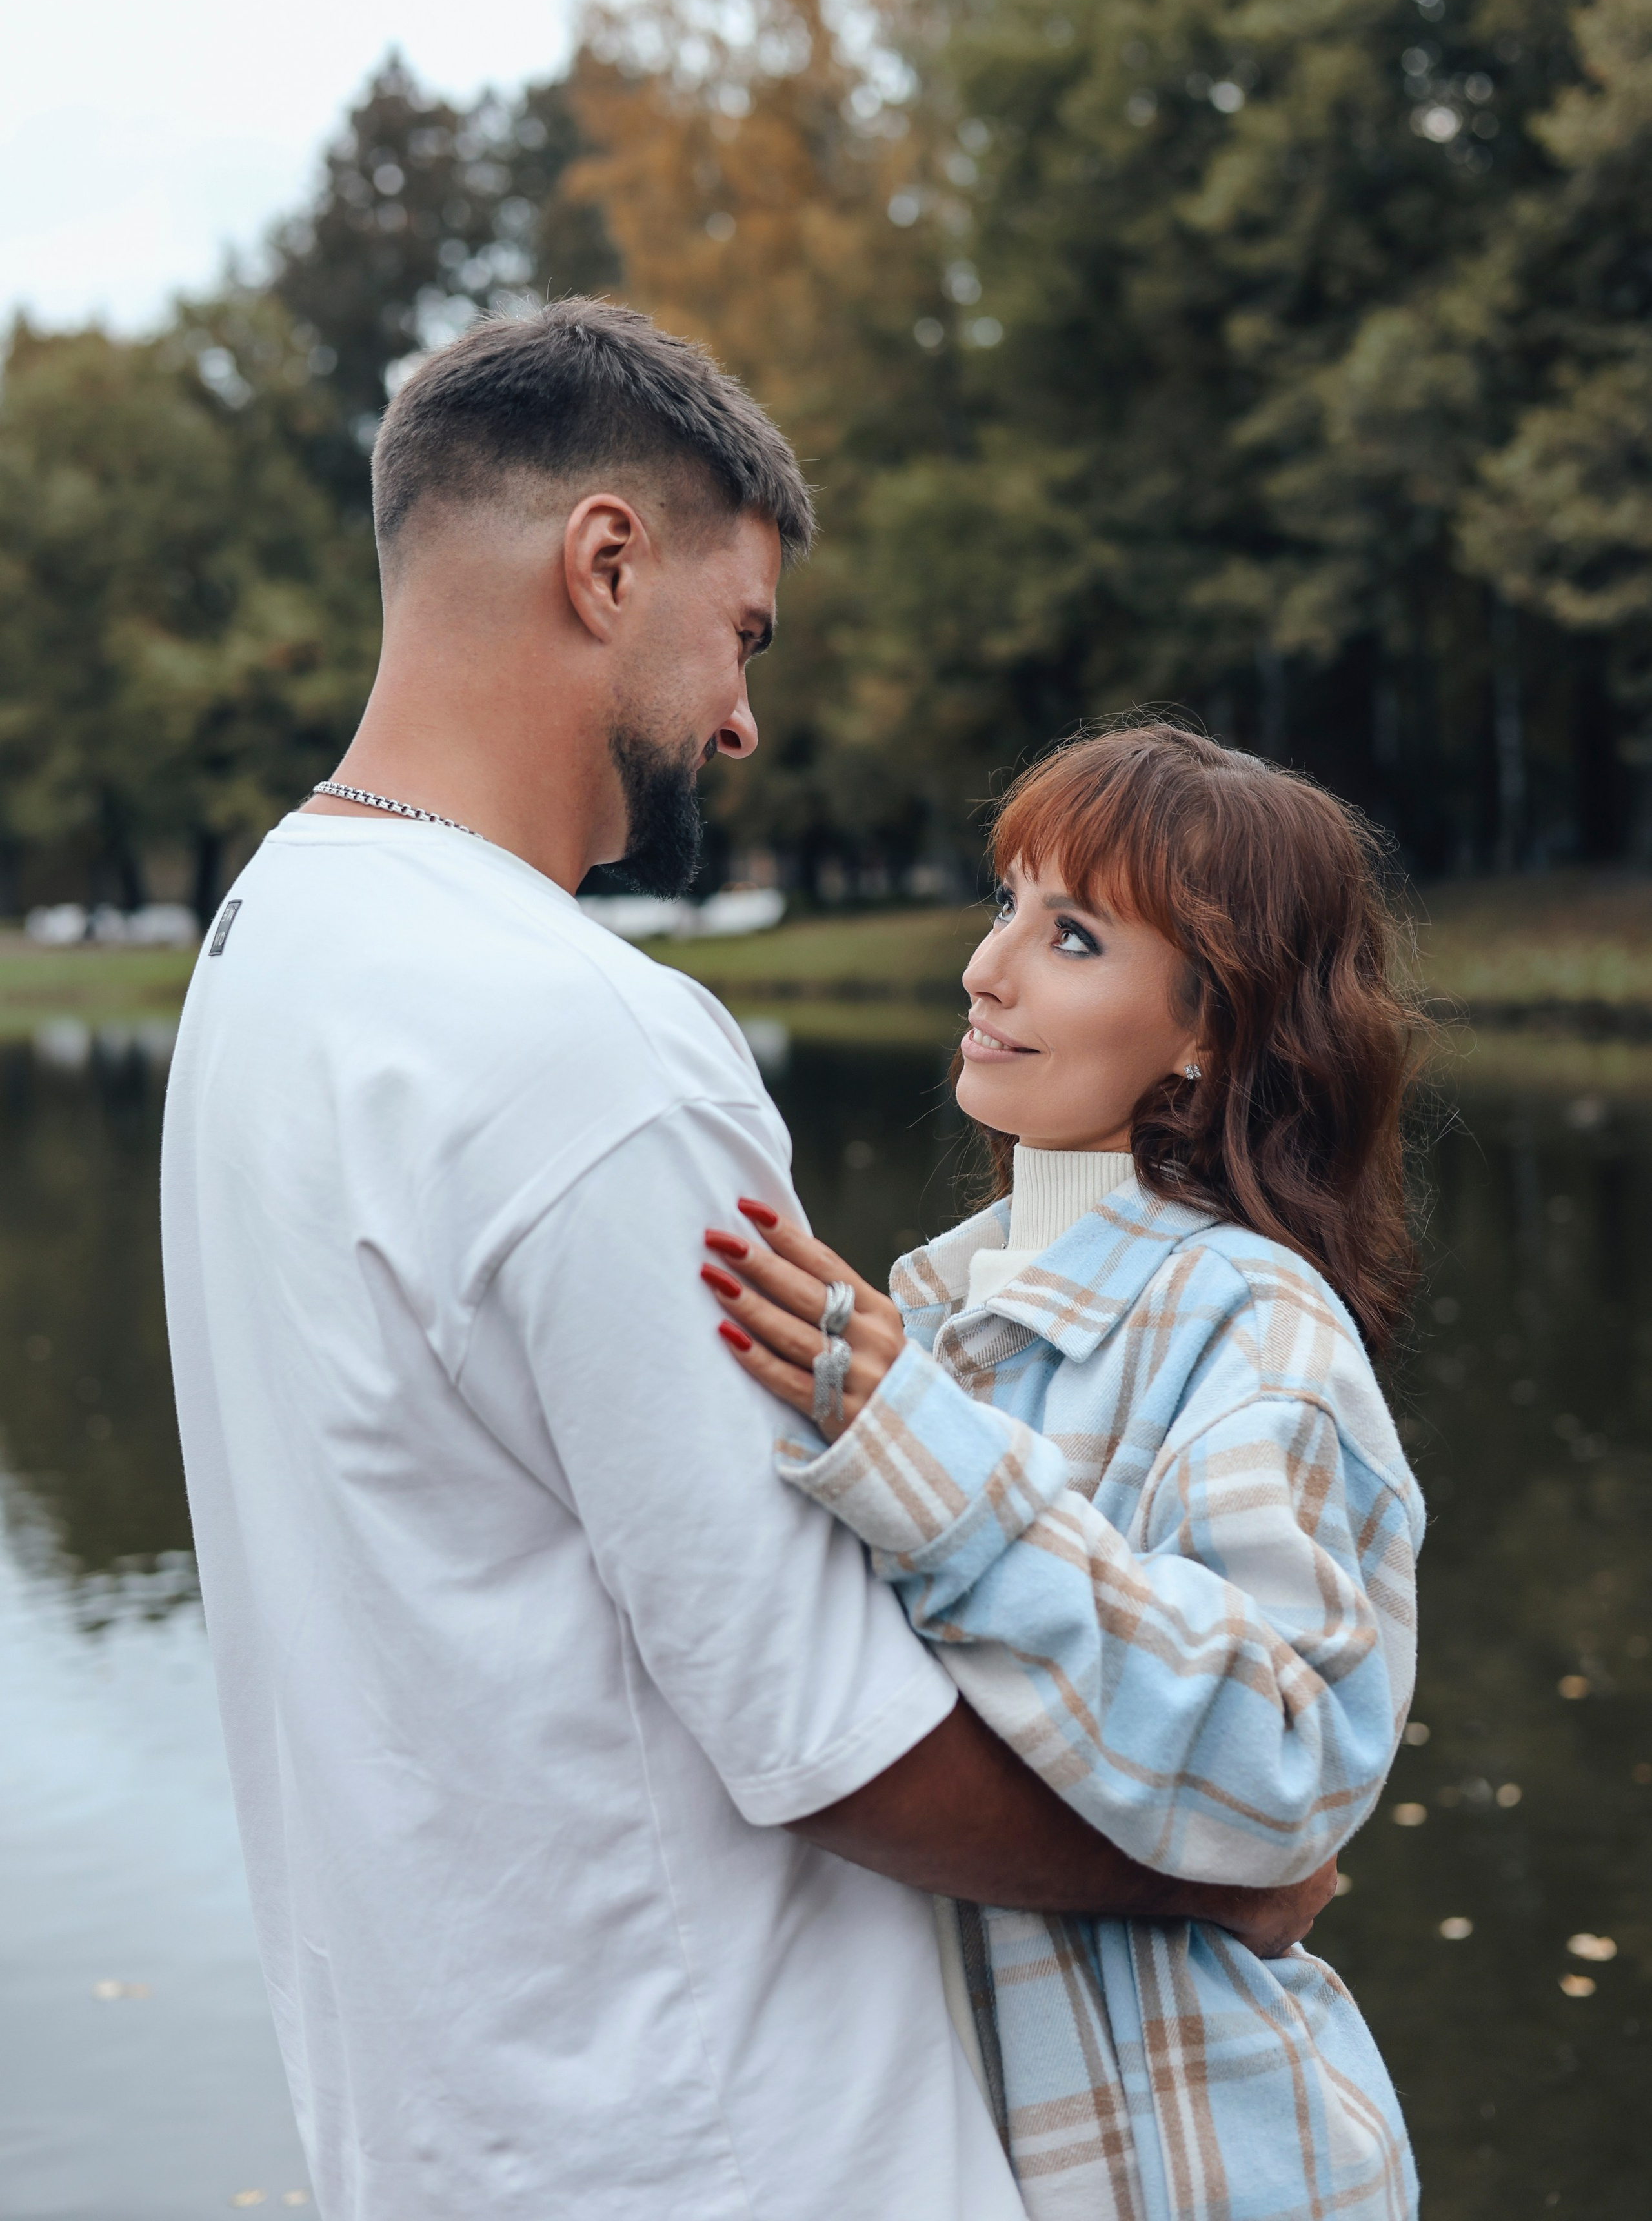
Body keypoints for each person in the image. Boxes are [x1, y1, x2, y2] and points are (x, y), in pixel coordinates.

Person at [160, 307, 1329, 2221]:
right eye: (744, 633)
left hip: (449, 2130)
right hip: (725, 2148)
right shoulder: (588, 1047)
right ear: (605, 564)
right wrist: (1230, 1874)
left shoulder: (270, 945)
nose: (742, 719)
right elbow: (834, 1735)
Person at [700, 723, 1426, 2221]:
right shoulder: (935, 1315)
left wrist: (932, 1469)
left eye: (1072, 934)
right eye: (1004, 905)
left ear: (1204, 1030)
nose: (988, 968)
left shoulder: (1248, 1313)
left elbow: (1283, 1762)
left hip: (1205, 2167)